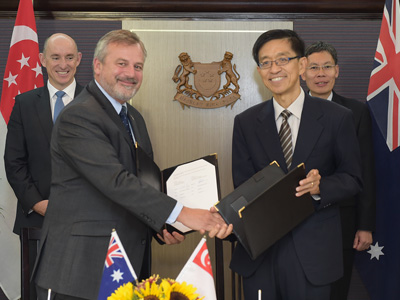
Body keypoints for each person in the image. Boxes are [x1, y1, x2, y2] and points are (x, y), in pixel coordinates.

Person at [32, 29, 232, 300]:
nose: (131, 73)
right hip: (79, 271)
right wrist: (184, 214)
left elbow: (143, 180)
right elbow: (116, 181)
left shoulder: (134, 117)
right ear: (98, 66)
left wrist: (160, 226)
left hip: (126, 267)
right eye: (122, 64)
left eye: (137, 66)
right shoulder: (78, 116)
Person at [229, 29, 362, 300]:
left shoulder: (338, 118)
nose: (274, 68)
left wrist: (321, 187)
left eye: (282, 59)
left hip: (313, 255)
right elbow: (243, 186)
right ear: (259, 70)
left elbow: (353, 178)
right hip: (261, 254)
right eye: (265, 62)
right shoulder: (245, 122)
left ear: (301, 65)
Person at [4, 33, 83, 300]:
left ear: (79, 60)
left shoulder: (96, 103)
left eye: (69, 57)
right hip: (36, 221)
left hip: (86, 220)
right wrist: (38, 203)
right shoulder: (24, 104)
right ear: (42, 60)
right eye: (56, 57)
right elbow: (14, 162)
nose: (63, 64)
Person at [301, 41, 376, 300]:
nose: (320, 74)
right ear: (302, 72)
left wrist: (365, 225)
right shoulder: (289, 112)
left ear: (337, 71)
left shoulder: (356, 112)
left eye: (327, 67)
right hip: (296, 222)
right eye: (313, 68)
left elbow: (365, 168)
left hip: (342, 223)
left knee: (336, 293)